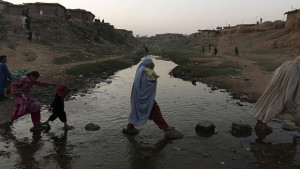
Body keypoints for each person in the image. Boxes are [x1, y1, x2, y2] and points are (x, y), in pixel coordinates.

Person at [252, 56, 300, 134]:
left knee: (268, 102)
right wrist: (288, 100)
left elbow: (276, 73)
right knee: (277, 105)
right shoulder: (294, 69)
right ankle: (263, 124)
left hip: (275, 88)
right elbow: (290, 87)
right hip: (283, 91)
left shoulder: (287, 64)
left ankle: (260, 122)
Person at [125, 58, 174, 133]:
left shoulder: (140, 70)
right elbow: (148, 83)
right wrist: (151, 70)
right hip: (145, 98)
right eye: (151, 63)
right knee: (156, 110)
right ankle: (165, 127)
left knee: (136, 111)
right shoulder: (145, 71)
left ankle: (130, 127)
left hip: (139, 96)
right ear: (147, 63)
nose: (152, 64)